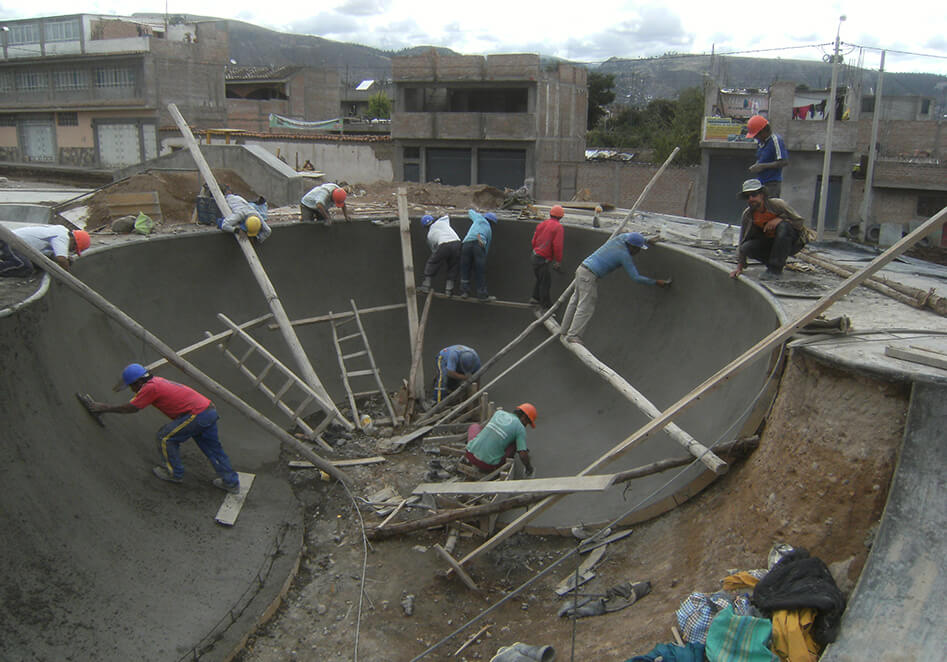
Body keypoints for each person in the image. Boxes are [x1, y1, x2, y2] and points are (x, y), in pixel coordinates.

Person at [85, 363, 240, 494]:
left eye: (131, 386)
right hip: (208, 410)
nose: (132, 390)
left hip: (196, 414)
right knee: (212, 449)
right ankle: (231, 482)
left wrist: (105, 407)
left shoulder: (150, 388)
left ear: (138, 382)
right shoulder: (157, 382)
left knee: (165, 438)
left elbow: (132, 408)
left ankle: (174, 473)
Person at [560, 232, 671, 345]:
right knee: (586, 306)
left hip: (582, 269)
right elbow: (636, 277)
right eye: (638, 249)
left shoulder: (621, 239)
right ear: (632, 247)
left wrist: (646, 240)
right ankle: (573, 335)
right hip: (589, 276)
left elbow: (631, 235)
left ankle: (564, 330)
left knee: (574, 301)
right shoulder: (623, 255)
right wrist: (656, 282)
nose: (638, 252)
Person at [729, 179, 807, 281]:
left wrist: (779, 220)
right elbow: (742, 240)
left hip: (791, 242)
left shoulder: (777, 205)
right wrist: (739, 267)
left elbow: (799, 222)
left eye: (754, 195)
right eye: (748, 196)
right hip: (770, 243)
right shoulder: (748, 215)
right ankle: (772, 262)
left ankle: (775, 270)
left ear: (762, 195)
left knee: (783, 227)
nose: (751, 199)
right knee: (746, 247)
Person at [465, 403, 538, 475]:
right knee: (515, 443)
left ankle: (475, 446)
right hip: (487, 465)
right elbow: (522, 455)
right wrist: (529, 468)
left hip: (470, 454)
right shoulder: (520, 428)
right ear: (524, 417)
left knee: (474, 426)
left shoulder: (499, 413)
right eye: (527, 423)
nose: (526, 425)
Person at [0, 225, 90, 277]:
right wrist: (68, 276)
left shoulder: (60, 230)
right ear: (74, 241)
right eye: (73, 249)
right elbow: (61, 259)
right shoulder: (63, 237)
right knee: (24, 267)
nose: (70, 250)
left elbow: (48, 255)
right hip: (9, 242)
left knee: (39, 264)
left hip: (17, 245)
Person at [530, 204, 565, 308]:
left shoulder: (542, 224)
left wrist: (538, 250)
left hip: (534, 256)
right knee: (545, 282)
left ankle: (535, 298)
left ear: (550, 214)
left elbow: (533, 241)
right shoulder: (558, 227)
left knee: (541, 279)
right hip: (542, 259)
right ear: (561, 217)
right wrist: (558, 261)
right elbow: (557, 245)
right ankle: (546, 306)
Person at [746, 115, 789, 198]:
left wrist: (762, 166)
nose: (756, 138)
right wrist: (757, 165)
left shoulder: (775, 140)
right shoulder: (761, 142)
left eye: (756, 135)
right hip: (760, 183)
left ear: (763, 131)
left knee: (769, 208)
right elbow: (762, 159)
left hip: (772, 184)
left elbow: (784, 162)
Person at [418, 213, 461, 296]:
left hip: (444, 244)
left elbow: (434, 251)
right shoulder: (442, 222)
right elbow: (446, 215)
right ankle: (449, 290)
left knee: (432, 263)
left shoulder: (430, 235)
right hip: (457, 243)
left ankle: (426, 285)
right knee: (453, 266)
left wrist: (441, 256)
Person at [459, 209, 498, 301]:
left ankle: (465, 292)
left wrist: (479, 213)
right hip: (479, 245)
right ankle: (482, 294)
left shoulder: (478, 218)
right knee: (480, 271)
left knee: (465, 268)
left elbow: (470, 211)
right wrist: (483, 257)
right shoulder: (489, 230)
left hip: (466, 244)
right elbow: (486, 246)